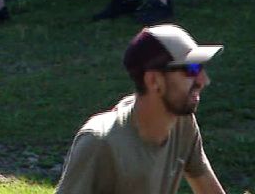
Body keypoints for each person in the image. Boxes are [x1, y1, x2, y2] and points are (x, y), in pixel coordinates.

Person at [54, 24, 225, 194]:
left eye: (201, 67)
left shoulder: (182, 122)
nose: (203, 80)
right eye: (191, 69)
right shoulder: (100, 142)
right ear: (153, 80)